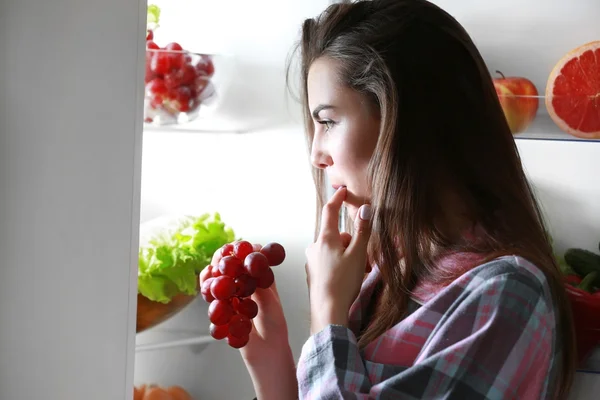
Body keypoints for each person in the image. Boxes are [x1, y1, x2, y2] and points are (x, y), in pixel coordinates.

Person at [201, 0, 577, 398]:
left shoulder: (507, 295)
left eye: (327, 121)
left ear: (410, 122)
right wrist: (273, 363)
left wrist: (327, 317)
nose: (316, 154)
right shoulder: (389, 266)